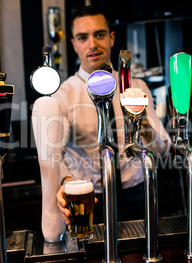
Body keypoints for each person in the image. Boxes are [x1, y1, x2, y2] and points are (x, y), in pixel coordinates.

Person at [32, 5, 171, 242]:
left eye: (99, 34)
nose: (92, 44)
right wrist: (66, 181)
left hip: (138, 196)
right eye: (82, 37)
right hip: (89, 201)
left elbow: (165, 149)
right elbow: (56, 154)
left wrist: (144, 127)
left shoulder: (137, 88)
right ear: (74, 44)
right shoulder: (63, 95)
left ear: (111, 37)